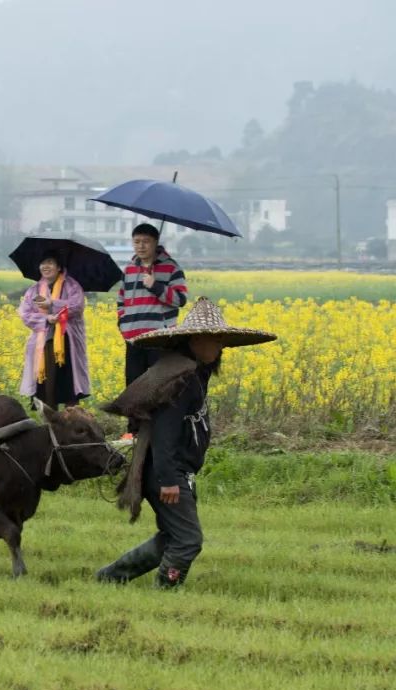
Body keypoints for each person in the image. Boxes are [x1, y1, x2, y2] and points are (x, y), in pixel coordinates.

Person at [96, 298, 276, 588]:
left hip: (175, 472)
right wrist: (169, 479)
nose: (220, 347)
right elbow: (165, 432)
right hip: (168, 474)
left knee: (172, 536)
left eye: (221, 341)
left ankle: (110, 577)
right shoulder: (182, 379)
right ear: (195, 339)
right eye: (215, 340)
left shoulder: (193, 371)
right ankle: (165, 590)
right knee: (189, 540)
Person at [117, 223, 188, 433]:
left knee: (158, 385)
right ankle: (134, 430)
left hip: (159, 337)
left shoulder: (171, 268)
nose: (140, 246)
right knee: (133, 384)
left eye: (145, 242)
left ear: (155, 243)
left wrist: (156, 286)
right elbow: (121, 300)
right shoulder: (129, 269)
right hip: (134, 338)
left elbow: (180, 299)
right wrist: (122, 324)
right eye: (136, 241)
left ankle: (160, 428)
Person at [18, 251, 90, 410]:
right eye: (43, 263)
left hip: (67, 344)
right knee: (46, 389)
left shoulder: (72, 285)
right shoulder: (34, 290)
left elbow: (77, 306)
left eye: (50, 262)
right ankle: (50, 425)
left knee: (68, 387)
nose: (45, 266)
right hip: (43, 345)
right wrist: (46, 319)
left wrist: (52, 304)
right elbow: (25, 314)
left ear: (59, 267)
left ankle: (71, 424)